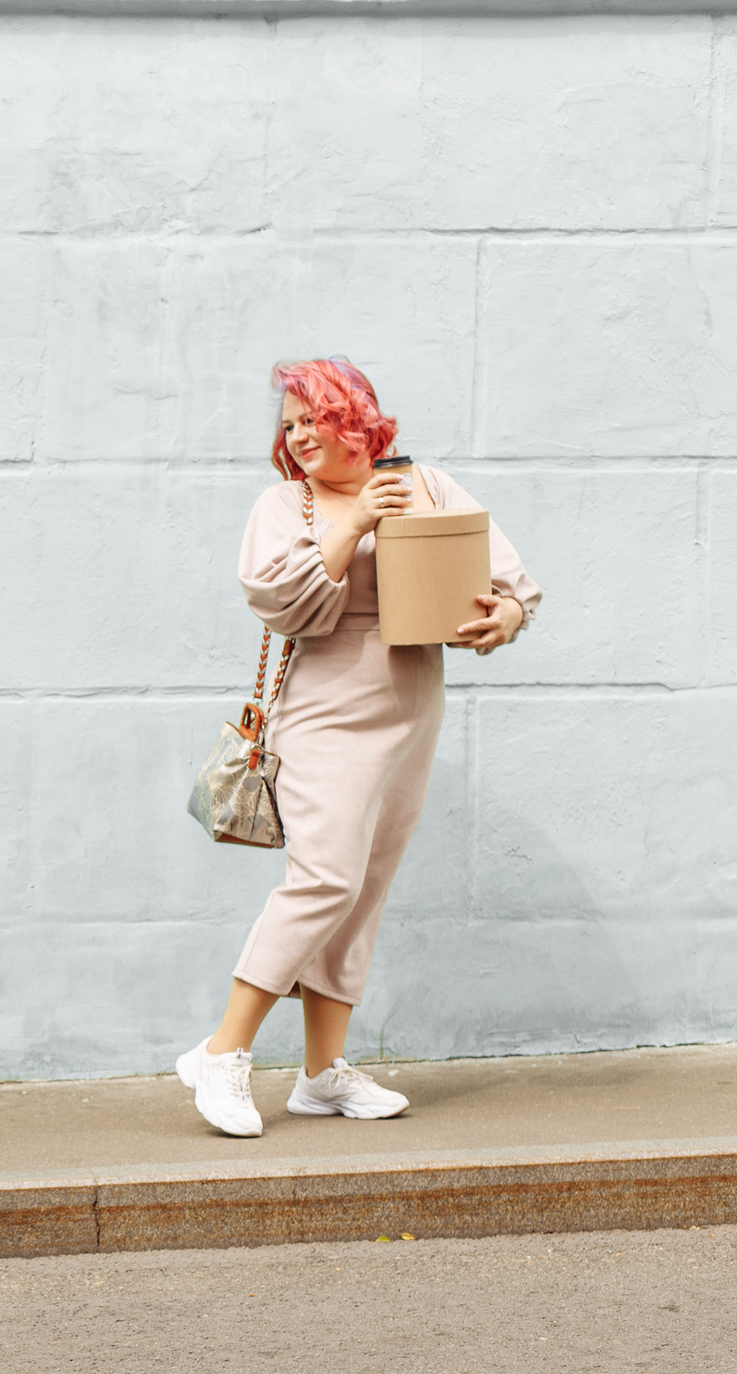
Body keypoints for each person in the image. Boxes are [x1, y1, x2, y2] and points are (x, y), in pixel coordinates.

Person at [177, 359, 543, 1137]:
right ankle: (221, 1050)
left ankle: (320, 1075)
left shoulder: (427, 484)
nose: (299, 434)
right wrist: (353, 524)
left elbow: (507, 580)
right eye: (289, 424)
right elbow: (286, 607)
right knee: (325, 879)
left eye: (313, 416)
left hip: (411, 710)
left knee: (362, 891)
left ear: (356, 415)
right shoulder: (287, 505)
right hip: (327, 715)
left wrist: (502, 620)